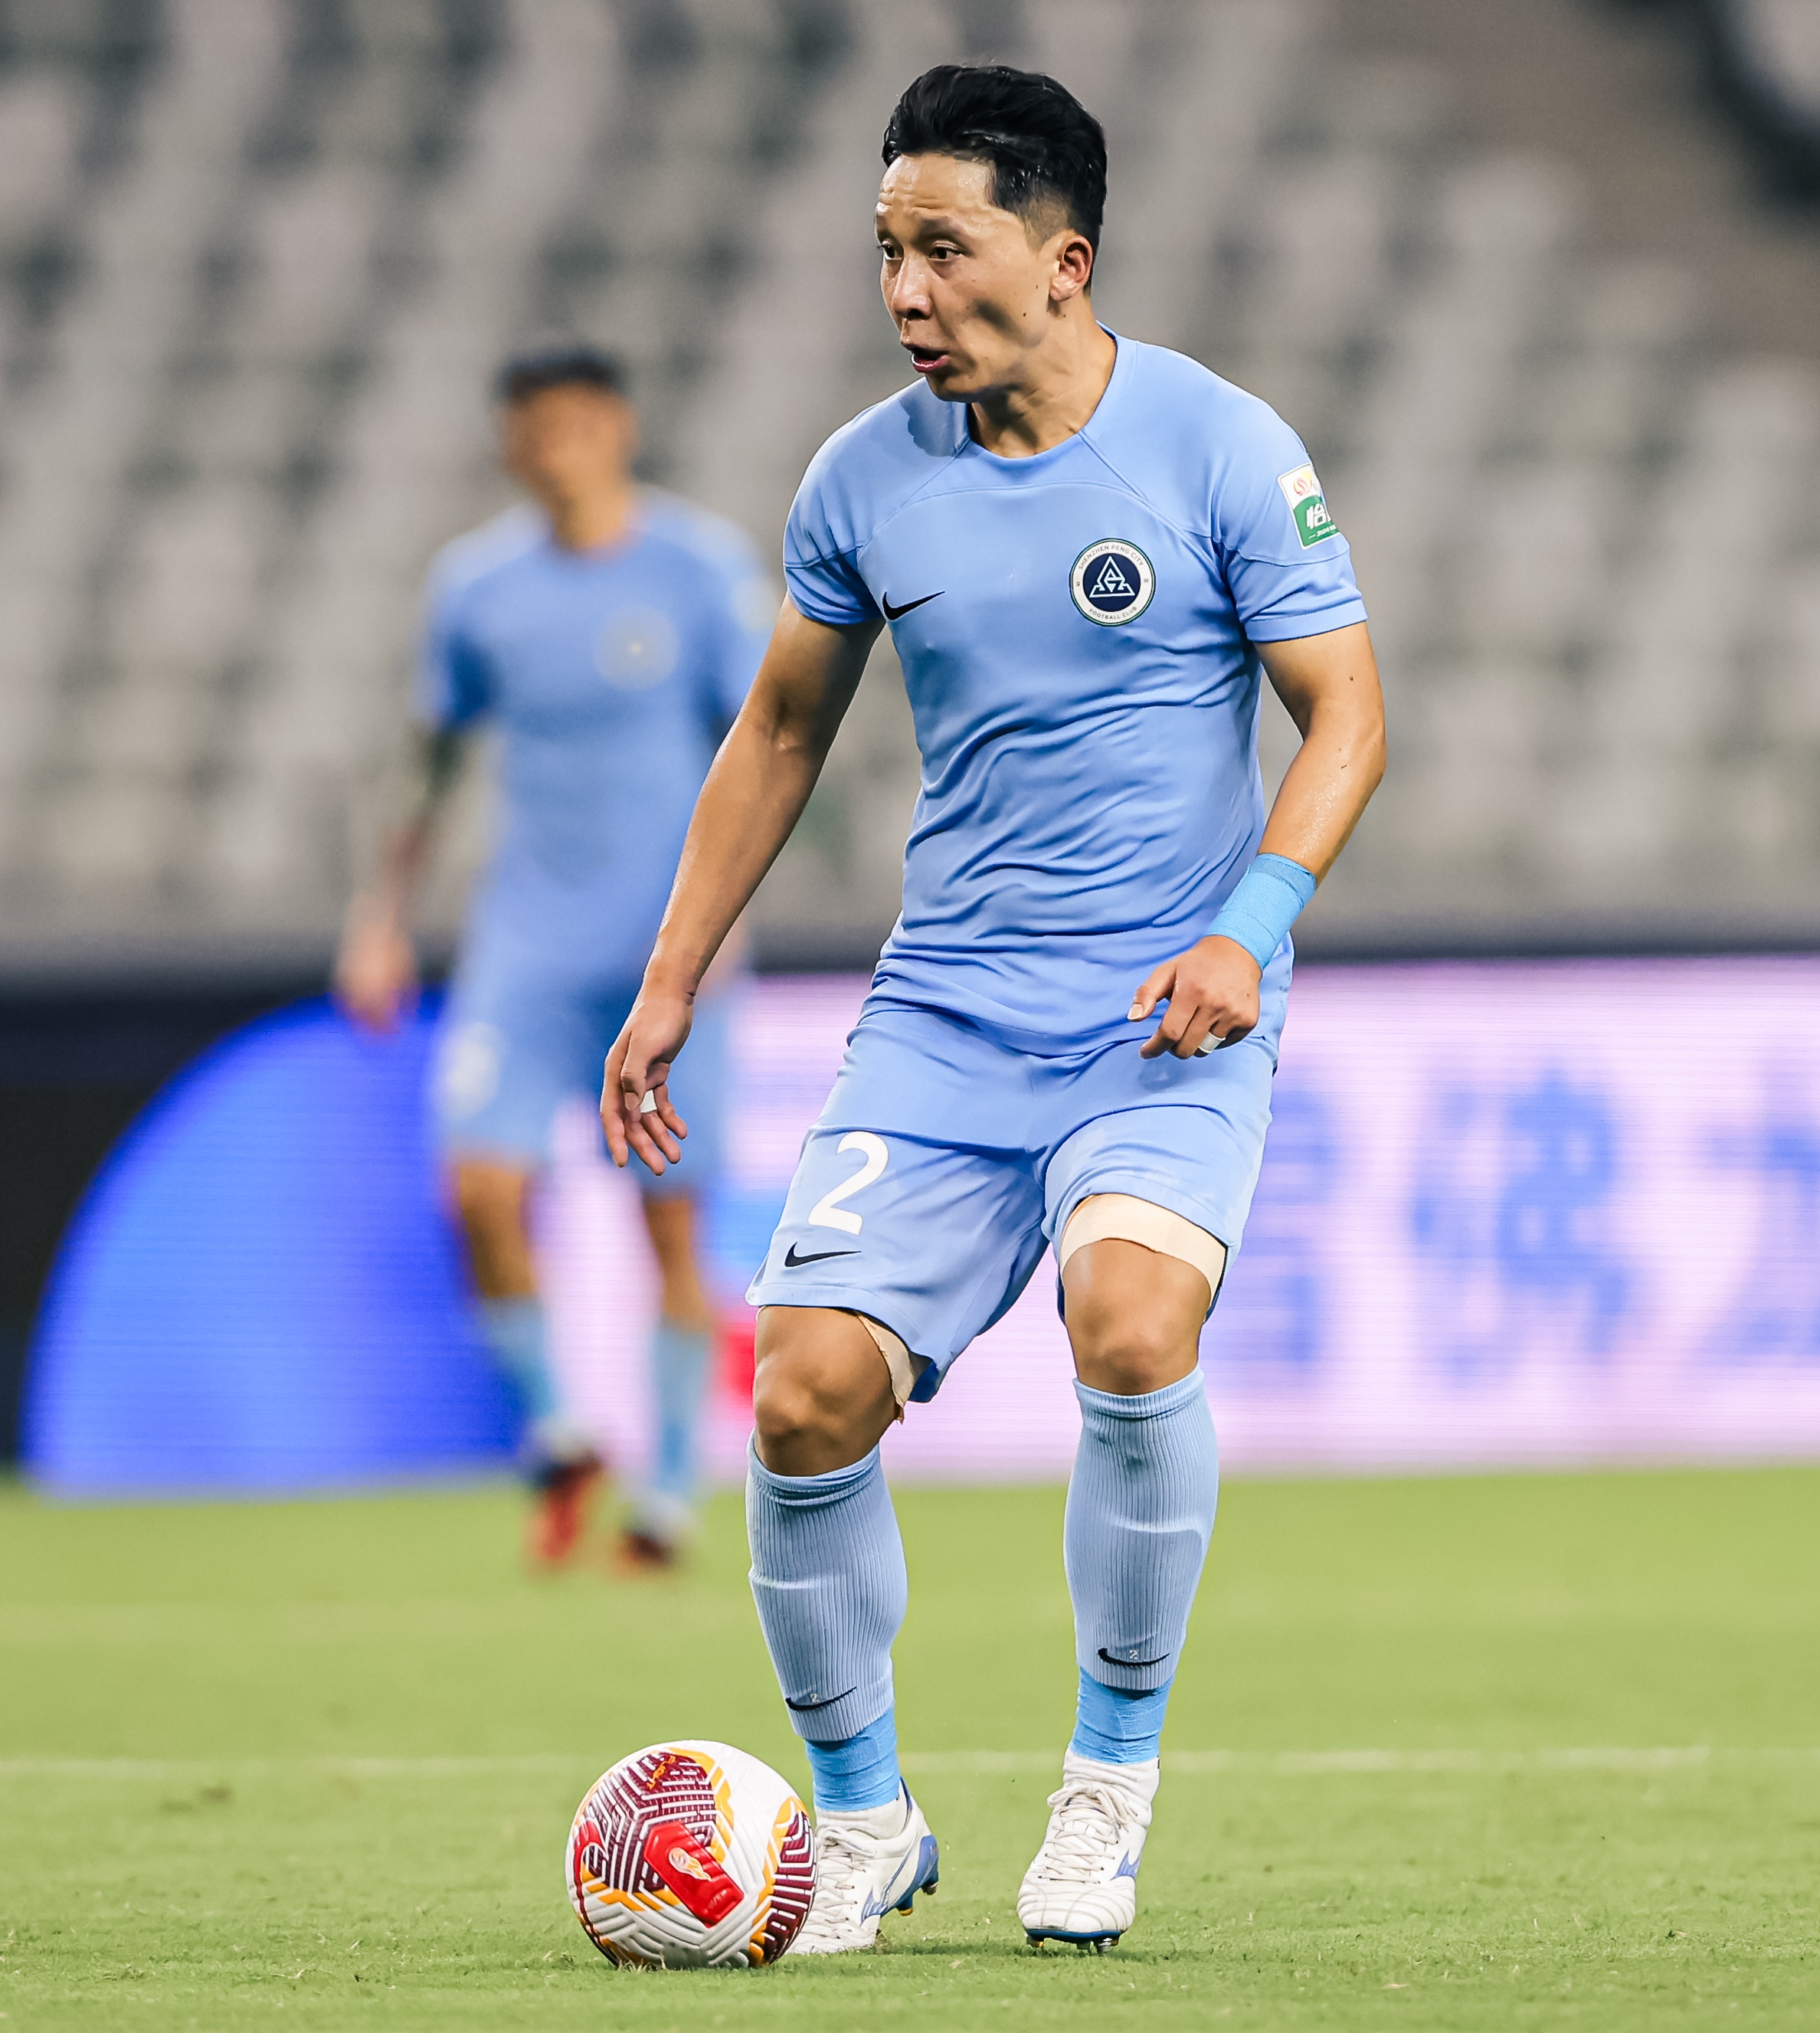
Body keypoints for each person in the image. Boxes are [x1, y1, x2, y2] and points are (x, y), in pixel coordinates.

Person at [596, 66, 1386, 1953]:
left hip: (1165, 1017)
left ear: (1063, 260)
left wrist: (1250, 928)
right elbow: (779, 728)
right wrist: (670, 974)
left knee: (1132, 1326)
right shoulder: (861, 479)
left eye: (942, 250)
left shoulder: (1216, 447)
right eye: (886, 251)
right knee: (801, 1395)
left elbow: (1345, 714)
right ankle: (862, 1820)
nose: (905, 293)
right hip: (944, 1020)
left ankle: (1105, 1789)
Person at [338, 345, 768, 1571]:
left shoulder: (699, 570)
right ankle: (562, 1430)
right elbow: (428, 761)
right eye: (531, 427)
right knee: (477, 1190)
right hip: (524, 941)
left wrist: (724, 926)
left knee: (667, 1224)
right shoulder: (477, 587)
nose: (553, 447)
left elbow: (761, 747)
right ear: (508, 443)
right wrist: (380, 916)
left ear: (619, 427)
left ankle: (668, 1494)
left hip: (663, 950)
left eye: (574, 422)